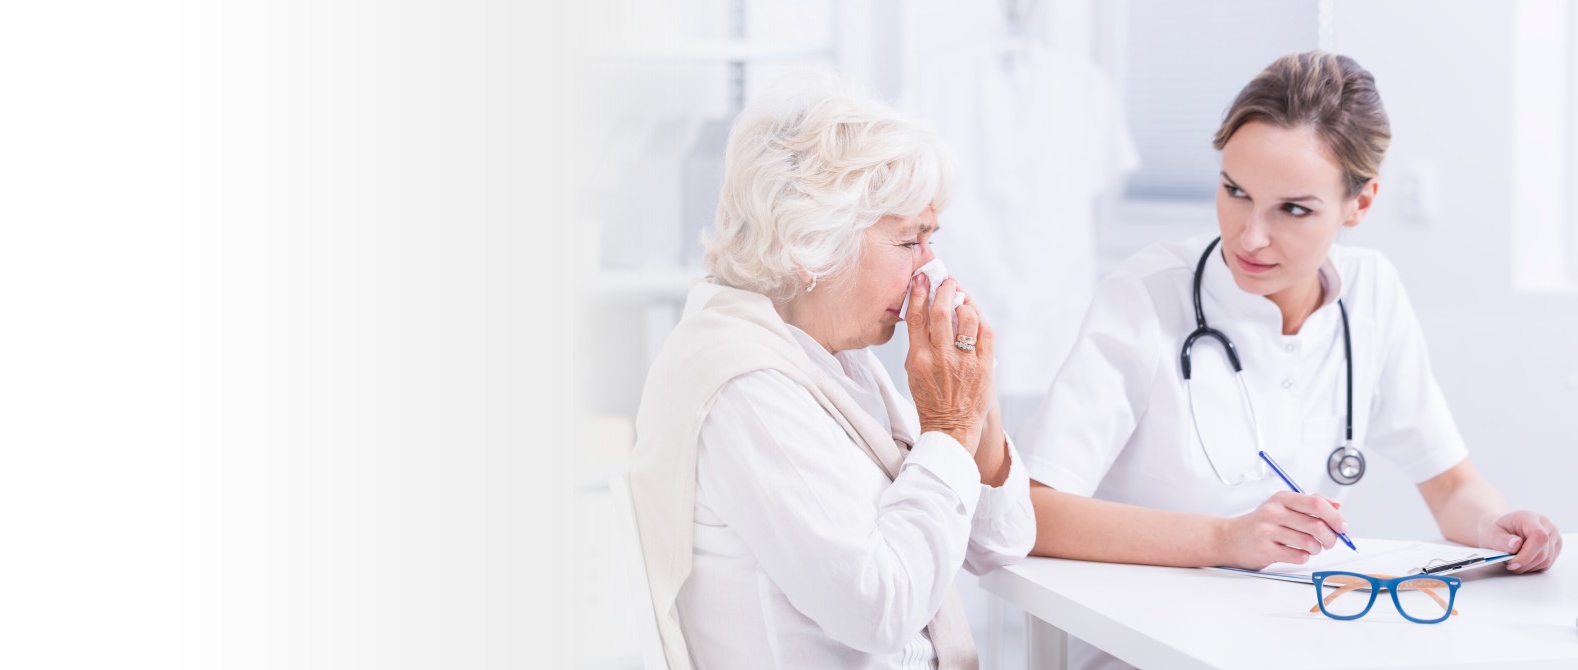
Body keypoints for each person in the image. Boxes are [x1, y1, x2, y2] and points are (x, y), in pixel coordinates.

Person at [1019, 52, 1563, 668]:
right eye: (1235, 192)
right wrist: (1226, 539)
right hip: (1143, 652)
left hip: (1295, 643)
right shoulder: (1146, 296)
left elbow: (1452, 487)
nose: (1250, 236)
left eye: (1293, 209)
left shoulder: (1372, 292)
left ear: (1360, 203)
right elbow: (1033, 512)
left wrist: (1496, 528)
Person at [629, 86, 1035, 670]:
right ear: (809, 243)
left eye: (931, 239)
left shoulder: (836, 356)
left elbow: (1002, 540)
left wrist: (975, 399)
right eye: (908, 241)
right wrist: (948, 428)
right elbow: (879, 608)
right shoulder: (746, 386)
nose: (933, 268)